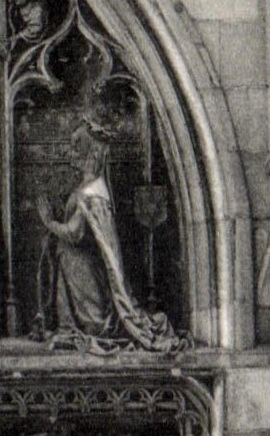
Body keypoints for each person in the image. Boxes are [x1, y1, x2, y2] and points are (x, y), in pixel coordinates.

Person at [36, 138, 181, 354]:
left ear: (92, 155)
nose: (71, 153)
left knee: (95, 325)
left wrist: (49, 222)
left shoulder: (92, 192)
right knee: (76, 323)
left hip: (81, 268)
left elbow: (74, 233)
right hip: (71, 265)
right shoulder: (86, 188)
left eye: (77, 148)